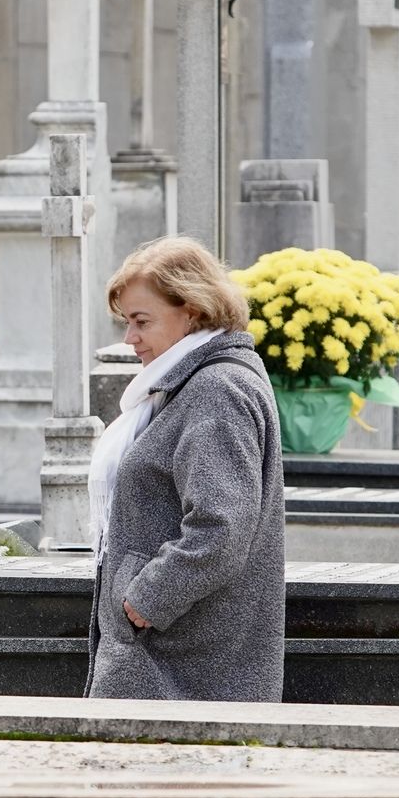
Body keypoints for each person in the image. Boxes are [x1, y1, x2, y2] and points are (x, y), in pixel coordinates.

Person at [85, 236, 285, 701]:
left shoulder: (217, 390)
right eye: (126, 322)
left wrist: (146, 599)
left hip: (182, 660)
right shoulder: (192, 384)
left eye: (141, 321)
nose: (130, 339)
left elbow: (222, 527)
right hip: (174, 654)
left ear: (192, 311)